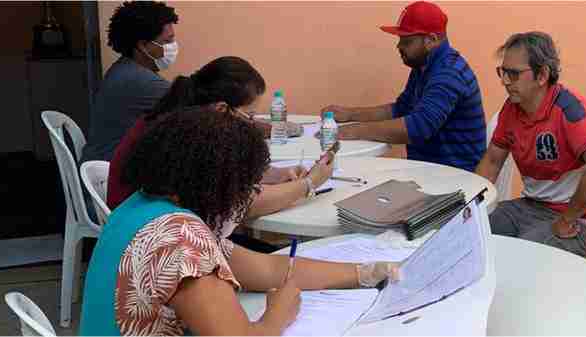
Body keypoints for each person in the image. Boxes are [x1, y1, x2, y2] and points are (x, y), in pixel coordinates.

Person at [80, 106, 400, 336]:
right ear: (217, 185)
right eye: (248, 186)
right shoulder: (182, 237)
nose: (251, 196)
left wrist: (364, 273)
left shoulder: (145, 206)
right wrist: (279, 314)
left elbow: (269, 269)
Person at [106, 56, 310, 252]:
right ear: (222, 109)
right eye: (249, 115)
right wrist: (309, 184)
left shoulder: (179, 121)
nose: (251, 123)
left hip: (151, 235)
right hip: (152, 245)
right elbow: (242, 204)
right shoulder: (188, 142)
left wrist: (277, 174)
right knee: (274, 260)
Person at [474, 32, 586, 257]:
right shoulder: (511, 108)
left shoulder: (570, 109)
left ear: (542, 75)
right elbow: (491, 162)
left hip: (575, 218)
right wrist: (469, 208)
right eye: (502, 72)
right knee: (472, 233)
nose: (505, 81)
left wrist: (569, 218)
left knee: (517, 256)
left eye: (514, 74)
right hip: (530, 205)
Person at [320, 1, 486, 172]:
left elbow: (417, 128)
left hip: (456, 178)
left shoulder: (448, 74)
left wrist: (353, 131)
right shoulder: (425, 65)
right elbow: (400, 109)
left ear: (431, 40)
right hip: (431, 171)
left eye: (407, 41)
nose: (399, 46)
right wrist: (350, 114)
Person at [82, 1, 178, 162]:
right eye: (167, 41)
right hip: (109, 175)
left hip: (101, 165)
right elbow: (195, 112)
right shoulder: (142, 82)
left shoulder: (124, 68)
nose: (173, 46)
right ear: (142, 46)